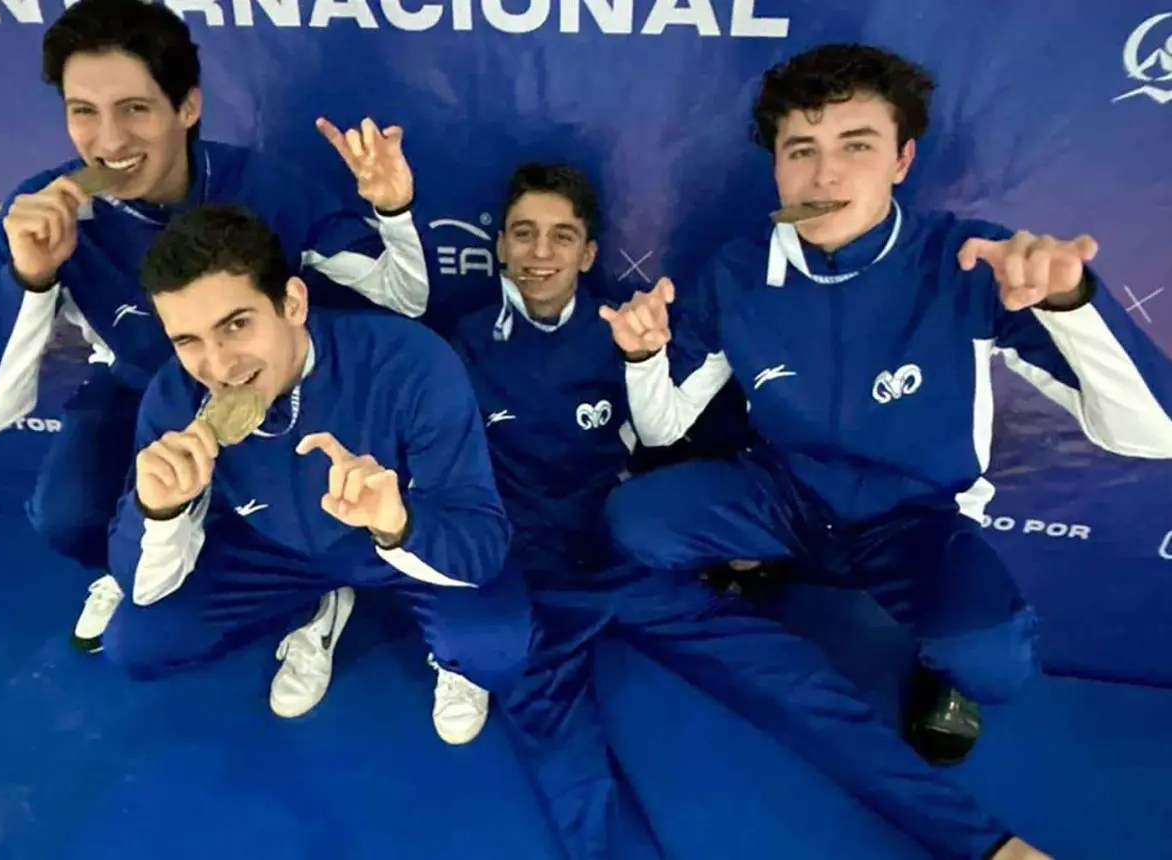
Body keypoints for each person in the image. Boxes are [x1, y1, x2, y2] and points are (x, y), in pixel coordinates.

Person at [445, 161, 1053, 860]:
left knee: (800, 686)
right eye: (523, 233)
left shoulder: (633, 326)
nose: (540, 253)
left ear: (588, 252)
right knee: (568, 770)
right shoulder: (461, 345)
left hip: (631, 563)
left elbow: (682, 433)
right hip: (533, 577)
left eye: (562, 236)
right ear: (499, 246)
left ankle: (987, 844)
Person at [597, 43, 1172, 765]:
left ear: (902, 161)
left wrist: (1071, 305)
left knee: (993, 663)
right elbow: (665, 426)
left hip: (912, 514)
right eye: (800, 149)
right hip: (786, 492)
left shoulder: (969, 261)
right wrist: (644, 358)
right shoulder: (738, 271)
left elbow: (1155, 434)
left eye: (856, 145)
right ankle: (755, 562)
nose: (825, 173)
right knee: (638, 520)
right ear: (776, 167)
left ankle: (941, 671)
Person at [0, 0, 431, 656]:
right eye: (83, 112)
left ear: (188, 108)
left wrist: (392, 208)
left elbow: (403, 298)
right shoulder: (45, 212)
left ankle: (304, 585)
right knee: (65, 514)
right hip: (137, 390)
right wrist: (31, 278)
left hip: (263, 391)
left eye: (135, 109)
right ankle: (138, 564)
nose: (109, 141)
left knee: (310, 507)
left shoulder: (261, 186)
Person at [103, 201, 528, 746]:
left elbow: (484, 541)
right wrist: (157, 513)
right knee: (137, 644)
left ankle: (435, 644)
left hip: (395, 544)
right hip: (274, 552)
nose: (219, 364)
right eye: (188, 340)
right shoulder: (175, 396)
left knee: (493, 651)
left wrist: (399, 522)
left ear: (293, 302)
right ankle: (315, 607)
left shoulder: (411, 361)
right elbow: (137, 584)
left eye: (236, 325)